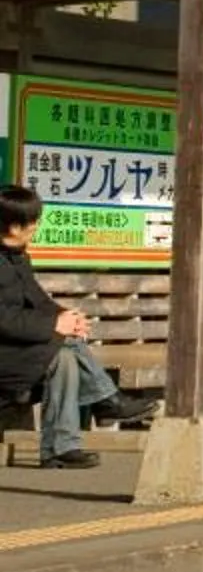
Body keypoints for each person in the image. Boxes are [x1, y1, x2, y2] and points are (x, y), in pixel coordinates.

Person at [0, 185, 159, 470]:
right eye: (32, 221)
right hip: (6, 355)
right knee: (62, 345)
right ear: (13, 227)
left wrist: (66, 317)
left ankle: (61, 448)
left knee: (64, 355)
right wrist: (54, 324)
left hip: (18, 351)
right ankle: (107, 402)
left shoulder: (18, 257)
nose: (36, 226)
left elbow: (37, 299)